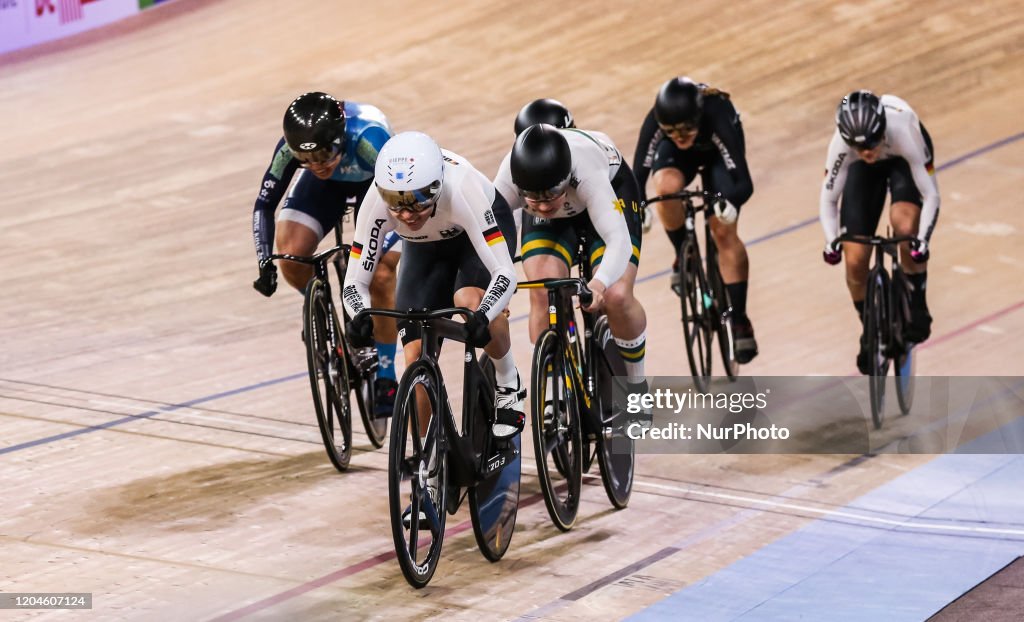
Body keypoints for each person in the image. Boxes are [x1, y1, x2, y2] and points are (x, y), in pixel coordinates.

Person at [342, 131, 525, 441]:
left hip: (473, 235)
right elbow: (356, 281)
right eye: (396, 205)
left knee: (469, 300)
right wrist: (359, 315)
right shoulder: (377, 199)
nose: (406, 215)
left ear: (437, 188)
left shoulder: (462, 189)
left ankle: (508, 381)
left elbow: (504, 273)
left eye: (416, 203)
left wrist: (483, 314)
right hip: (425, 246)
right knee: (415, 354)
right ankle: (428, 459)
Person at [250, 91, 402, 416]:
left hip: (374, 190)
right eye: (306, 158)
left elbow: (399, 204)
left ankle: (387, 376)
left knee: (380, 273)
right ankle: (325, 316)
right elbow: (264, 204)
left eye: (324, 154)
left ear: (340, 137)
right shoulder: (296, 148)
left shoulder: (368, 139)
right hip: (325, 192)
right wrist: (264, 261)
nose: (316, 164)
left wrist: (362, 283)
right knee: (290, 257)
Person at [493, 123, 650, 411]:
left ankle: (636, 387)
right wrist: (495, 290)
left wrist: (599, 284)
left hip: (612, 189)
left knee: (617, 295)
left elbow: (619, 241)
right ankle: (552, 388)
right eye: (533, 197)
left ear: (566, 178)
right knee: (542, 290)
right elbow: (491, 240)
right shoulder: (507, 181)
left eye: (549, 194)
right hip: (560, 214)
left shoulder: (587, 170)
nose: (541, 206)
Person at [633, 76, 758, 363]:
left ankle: (739, 320)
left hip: (718, 156)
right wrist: (638, 207)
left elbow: (743, 181)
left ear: (698, 117)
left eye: (686, 129)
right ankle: (682, 256)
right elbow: (637, 177)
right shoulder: (656, 121)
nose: (680, 136)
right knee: (664, 189)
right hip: (678, 159)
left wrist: (732, 203)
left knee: (723, 232)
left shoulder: (716, 112)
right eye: (672, 131)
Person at [819, 90, 938, 374]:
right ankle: (870, 330)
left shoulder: (905, 131)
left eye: (871, 143)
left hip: (902, 162)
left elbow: (931, 195)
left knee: (906, 227)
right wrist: (830, 242)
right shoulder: (842, 144)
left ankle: (917, 302)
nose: (868, 152)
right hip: (862, 173)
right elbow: (828, 198)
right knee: (855, 258)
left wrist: (922, 241)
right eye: (859, 147)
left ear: (881, 128)